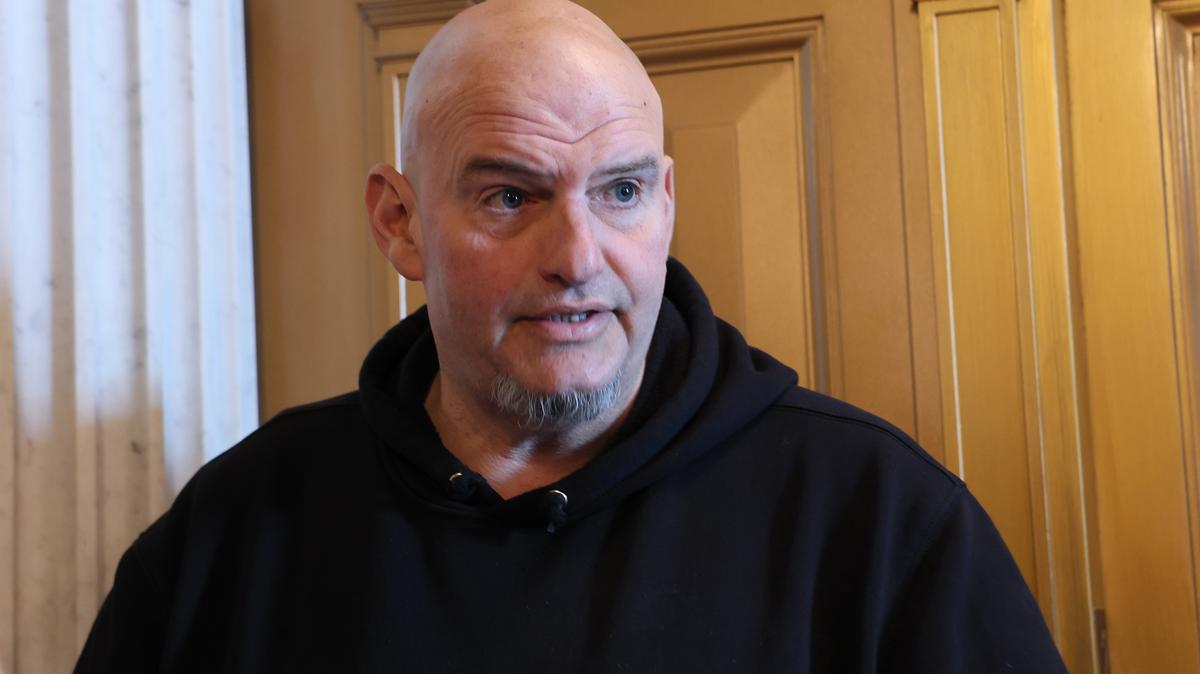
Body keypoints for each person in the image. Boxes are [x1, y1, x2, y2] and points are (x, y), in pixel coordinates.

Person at [76, 0, 1068, 671]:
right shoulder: (242, 522)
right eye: (511, 194)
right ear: (398, 222)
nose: (580, 255)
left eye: (622, 190)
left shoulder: (883, 518)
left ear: (667, 202)